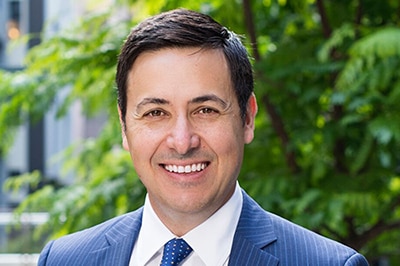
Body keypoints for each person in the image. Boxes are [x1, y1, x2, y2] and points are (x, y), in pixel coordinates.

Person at [38, 8, 369, 266]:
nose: (182, 142)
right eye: (156, 113)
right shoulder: (65, 259)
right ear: (124, 126)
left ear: (247, 118)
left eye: (206, 110)